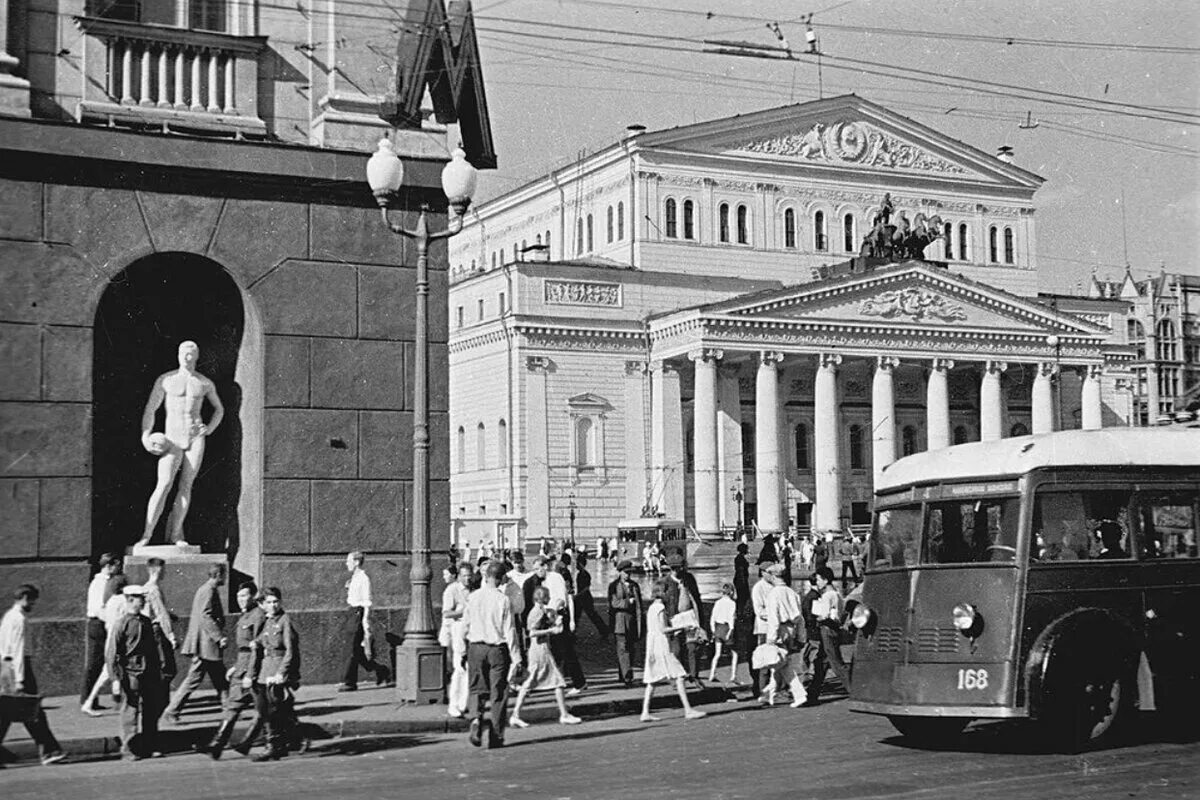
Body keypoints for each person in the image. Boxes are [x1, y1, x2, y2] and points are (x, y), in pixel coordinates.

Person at [136, 340, 225, 548]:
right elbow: (151, 409)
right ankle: (147, 534)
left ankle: (176, 534)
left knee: (186, 486)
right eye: (184, 353)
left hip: (195, 437)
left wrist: (209, 428)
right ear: (177, 355)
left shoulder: (204, 383)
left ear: (196, 356)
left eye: (191, 354)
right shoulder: (166, 380)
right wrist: (145, 436)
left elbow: (219, 409)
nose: (187, 357)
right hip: (172, 438)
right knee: (164, 484)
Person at [0, 584, 67, 766]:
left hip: (6, 668)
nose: (33, 604)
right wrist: (20, 679)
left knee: (6, 712)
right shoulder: (19, 619)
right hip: (19, 669)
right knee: (33, 711)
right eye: (32, 600)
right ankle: (49, 751)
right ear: (24, 598)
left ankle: (49, 750)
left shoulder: (8, 617)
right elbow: (18, 651)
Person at [196, 581, 263, 759]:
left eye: (244, 595)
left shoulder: (258, 616)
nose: (241, 600)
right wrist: (236, 667)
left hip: (255, 668)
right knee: (234, 705)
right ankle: (217, 745)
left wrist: (250, 673)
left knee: (264, 709)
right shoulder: (245, 616)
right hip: (242, 666)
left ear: (254, 596)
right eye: (238, 596)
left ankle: (247, 742)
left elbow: (258, 647)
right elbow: (243, 648)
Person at [461, 562, 522, 749]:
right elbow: (509, 630)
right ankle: (496, 734)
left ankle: (476, 720)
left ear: (486, 576)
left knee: (476, 688)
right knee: (498, 692)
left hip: (476, 647)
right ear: (502, 578)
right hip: (497, 650)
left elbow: (465, 625)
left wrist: (463, 650)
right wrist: (517, 656)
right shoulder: (503, 600)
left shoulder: (473, 597)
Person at [508, 586, 582, 729]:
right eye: (548, 596)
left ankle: (517, 714)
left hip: (541, 649)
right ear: (544, 597)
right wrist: (551, 630)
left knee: (552, 681)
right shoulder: (536, 612)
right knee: (552, 681)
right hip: (539, 650)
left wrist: (556, 621)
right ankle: (563, 714)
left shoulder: (541, 611)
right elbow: (532, 633)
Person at [108, 585, 166, 760]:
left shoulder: (146, 621)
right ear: (130, 600)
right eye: (141, 598)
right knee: (130, 711)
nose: (144, 601)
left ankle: (149, 745)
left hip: (148, 672)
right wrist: (115, 679)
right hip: (130, 672)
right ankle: (128, 749)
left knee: (150, 710)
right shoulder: (121, 623)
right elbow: (112, 652)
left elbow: (152, 649)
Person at [165, 563, 228, 723]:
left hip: (204, 644)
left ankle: (229, 708)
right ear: (219, 575)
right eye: (224, 575)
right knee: (194, 679)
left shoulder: (206, 589)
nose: (225, 578)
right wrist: (218, 637)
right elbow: (205, 616)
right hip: (205, 644)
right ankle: (172, 710)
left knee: (219, 677)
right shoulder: (208, 591)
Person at [640, 580, 707, 723]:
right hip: (661, 645)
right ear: (661, 593)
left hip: (652, 645)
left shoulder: (652, 608)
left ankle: (645, 711)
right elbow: (663, 629)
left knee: (652, 680)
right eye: (666, 592)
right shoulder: (660, 608)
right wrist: (682, 627)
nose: (668, 595)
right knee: (680, 675)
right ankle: (688, 710)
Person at [246, 586, 299, 762]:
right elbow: (265, 638)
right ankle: (288, 740)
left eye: (276, 601)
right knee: (265, 709)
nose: (273, 605)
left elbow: (290, 651)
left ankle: (272, 746)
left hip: (276, 669)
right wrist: (256, 642)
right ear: (263, 604)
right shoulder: (269, 620)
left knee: (271, 710)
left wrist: (281, 674)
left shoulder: (285, 620)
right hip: (264, 669)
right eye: (269, 602)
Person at [337, 551, 387, 691]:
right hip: (351, 612)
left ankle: (349, 682)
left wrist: (365, 621)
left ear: (357, 562)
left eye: (349, 560)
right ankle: (380, 670)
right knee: (355, 648)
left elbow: (367, 601)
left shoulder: (363, 578)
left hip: (358, 613)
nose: (347, 563)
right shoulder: (354, 577)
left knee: (351, 648)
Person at [81, 573, 131, 714]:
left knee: (109, 671)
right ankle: (95, 701)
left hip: (110, 640)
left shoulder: (110, 601)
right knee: (113, 671)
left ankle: (97, 700)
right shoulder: (123, 601)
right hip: (120, 641)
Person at [761, 564, 807, 707]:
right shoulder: (792, 592)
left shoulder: (773, 594)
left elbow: (773, 618)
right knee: (778, 664)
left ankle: (799, 694)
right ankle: (768, 694)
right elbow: (800, 617)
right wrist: (801, 636)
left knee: (782, 664)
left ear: (774, 576)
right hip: (791, 629)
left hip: (779, 630)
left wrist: (771, 638)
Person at [663, 552, 706, 686]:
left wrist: (701, 623)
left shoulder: (689, 579)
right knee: (676, 650)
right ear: (670, 568)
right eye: (674, 569)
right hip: (674, 621)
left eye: (680, 568)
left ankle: (694, 676)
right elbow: (660, 604)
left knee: (693, 648)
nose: (677, 571)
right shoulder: (665, 582)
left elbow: (697, 601)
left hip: (690, 619)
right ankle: (678, 678)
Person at [811, 567, 851, 693]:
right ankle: (813, 693)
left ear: (825, 580)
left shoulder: (827, 596)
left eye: (818, 579)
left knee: (836, 663)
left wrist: (817, 618)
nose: (816, 582)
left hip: (827, 629)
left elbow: (824, 616)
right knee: (822, 661)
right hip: (834, 629)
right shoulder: (837, 593)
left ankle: (853, 690)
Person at [444, 561, 475, 718]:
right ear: (458, 576)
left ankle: (464, 703)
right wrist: (461, 612)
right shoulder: (452, 590)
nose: (467, 579)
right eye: (464, 576)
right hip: (458, 631)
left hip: (472, 632)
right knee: (459, 668)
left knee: (469, 669)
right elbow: (446, 613)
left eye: (470, 576)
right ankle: (453, 704)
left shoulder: (474, 590)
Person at [607, 559, 643, 687]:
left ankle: (623, 674)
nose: (628, 575)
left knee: (630, 649)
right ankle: (628, 676)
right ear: (620, 572)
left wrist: (641, 623)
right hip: (620, 622)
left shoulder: (634, 585)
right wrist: (628, 603)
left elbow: (640, 606)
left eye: (629, 572)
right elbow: (613, 603)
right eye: (625, 572)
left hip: (632, 622)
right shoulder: (614, 586)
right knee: (623, 649)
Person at [749, 561, 774, 701]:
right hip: (764, 628)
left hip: (775, 627)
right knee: (765, 661)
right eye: (770, 572)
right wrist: (775, 615)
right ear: (763, 572)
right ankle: (762, 690)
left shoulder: (775, 585)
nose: (772, 575)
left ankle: (776, 689)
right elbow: (759, 611)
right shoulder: (758, 588)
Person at [572, 553, 609, 637]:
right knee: (584, 615)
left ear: (580, 564)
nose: (576, 565)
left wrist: (577, 595)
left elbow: (586, 588)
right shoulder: (582, 574)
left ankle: (603, 629)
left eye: (577, 563)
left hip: (584, 598)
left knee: (590, 615)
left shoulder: (583, 574)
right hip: (582, 598)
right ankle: (603, 629)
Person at [707, 583, 738, 684]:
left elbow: (713, 617)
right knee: (734, 653)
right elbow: (731, 617)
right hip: (727, 628)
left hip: (718, 628)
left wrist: (713, 629)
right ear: (732, 592)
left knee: (717, 654)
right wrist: (731, 631)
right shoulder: (732, 603)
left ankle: (712, 674)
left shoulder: (718, 602)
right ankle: (733, 675)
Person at [732, 543, 751, 611]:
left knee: (742, 597)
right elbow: (741, 570)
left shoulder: (739, 557)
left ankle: (739, 611)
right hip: (741, 580)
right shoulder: (740, 558)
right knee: (743, 597)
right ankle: (739, 611)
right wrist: (743, 581)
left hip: (739, 579)